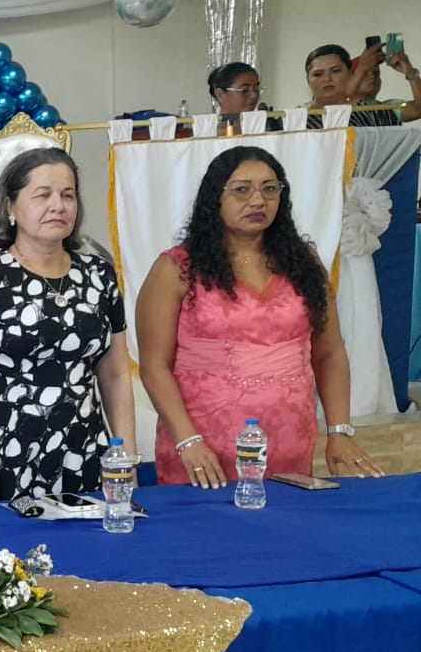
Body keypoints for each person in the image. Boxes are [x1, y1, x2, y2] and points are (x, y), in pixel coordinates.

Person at [135, 146, 385, 487]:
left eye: (270, 189)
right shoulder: (176, 268)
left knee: (284, 520)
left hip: (288, 440)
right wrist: (187, 441)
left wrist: (339, 431)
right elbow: (154, 365)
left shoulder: (303, 263)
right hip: (202, 449)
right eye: (242, 190)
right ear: (215, 198)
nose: (258, 200)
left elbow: (329, 353)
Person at [0, 148, 136, 504]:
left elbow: (116, 375)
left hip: (82, 453)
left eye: (68, 195)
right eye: (43, 195)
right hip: (1, 457)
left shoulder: (98, 275)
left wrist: (127, 459)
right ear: (10, 207)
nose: (58, 206)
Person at [345, 41, 421, 125]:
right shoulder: (339, 108)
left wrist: (411, 73)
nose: (372, 76)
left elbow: (418, 110)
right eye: (365, 73)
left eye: (375, 73)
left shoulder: (388, 108)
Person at [206, 62, 281, 133]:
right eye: (245, 90)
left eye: (256, 89)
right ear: (220, 95)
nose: (254, 96)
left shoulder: (266, 127)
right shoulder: (206, 132)